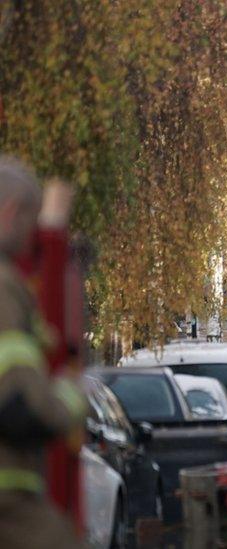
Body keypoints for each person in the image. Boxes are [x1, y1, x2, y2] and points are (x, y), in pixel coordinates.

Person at [0, 157, 87, 548]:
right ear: (11, 212)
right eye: (30, 223)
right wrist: (72, 398)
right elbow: (23, 408)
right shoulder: (4, 287)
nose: (31, 237)